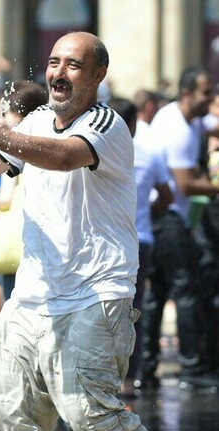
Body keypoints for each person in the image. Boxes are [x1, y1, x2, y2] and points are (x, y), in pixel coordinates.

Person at [0, 32, 207, 431]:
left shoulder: (107, 126)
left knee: (91, 412)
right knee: (2, 404)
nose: (59, 73)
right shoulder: (33, 124)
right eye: (53, 62)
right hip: (33, 293)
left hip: (97, 290)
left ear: (96, 77)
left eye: (74, 65)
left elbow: (64, 157)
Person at [142, 66, 219, 385]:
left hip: (157, 218)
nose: (211, 99)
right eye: (206, 93)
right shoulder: (180, 132)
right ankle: (191, 367)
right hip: (170, 219)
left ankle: (145, 367)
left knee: (156, 293)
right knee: (186, 290)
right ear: (187, 93)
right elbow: (186, 185)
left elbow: (208, 124)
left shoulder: (175, 114)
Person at [0, 80, 48, 346]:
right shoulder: (2, 147)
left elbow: (6, 195)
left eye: (3, 113)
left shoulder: (36, 146)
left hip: (26, 248)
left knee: (24, 330)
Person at [108, 97, 173, 396]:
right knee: (132, 311)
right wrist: (147, 212)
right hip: (140, 240)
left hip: (107, 239)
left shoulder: (97, 153)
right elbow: (166, 196)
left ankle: (105, 378)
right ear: (134, 124)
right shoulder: (148, 154)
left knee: (102, 310)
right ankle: (126, 380)